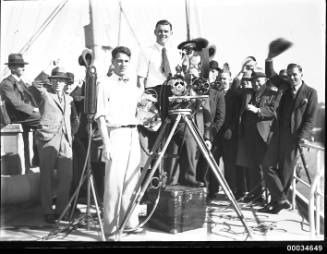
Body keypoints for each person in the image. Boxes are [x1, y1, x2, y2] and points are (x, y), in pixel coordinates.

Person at [95, 46, 142, 240]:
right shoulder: (104, 84)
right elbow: (100, 116)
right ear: (113, 62)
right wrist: (106, 144)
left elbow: (144, 113)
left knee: (132, 182)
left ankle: (130, 222)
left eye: (126, 61)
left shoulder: (135, 87)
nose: (122, 64)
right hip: (116, 134)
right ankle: (111, 228)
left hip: (134, 134)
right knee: (113, 184)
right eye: (119, 61)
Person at [261, 63, 318, 214]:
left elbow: (310, 119)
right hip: (278, 134)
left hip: (293, 138)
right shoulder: (285, 86)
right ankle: (281, 199)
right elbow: (271, 74)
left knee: (285, 173)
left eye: (295, 74)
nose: (292, 77)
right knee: (267, 165)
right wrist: (269, 59)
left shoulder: (310, 93)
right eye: (289, 75)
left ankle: (276, 204)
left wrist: (303, 137)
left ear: (301, 74)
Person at [34, 66, 80, 224]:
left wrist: (71, 134)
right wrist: (49, 70)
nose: (59, 83)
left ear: (66, 83)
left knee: (66, 177)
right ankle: (48, 211)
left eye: (62, 80)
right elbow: (36, 83)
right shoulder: (44, 94)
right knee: (46, 176)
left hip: (65, 140)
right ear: (51, 81)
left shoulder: (69, 99)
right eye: (56, 79)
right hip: (48, 138)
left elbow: (74, 119)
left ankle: (62, 210)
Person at [136, 19, 181, 168]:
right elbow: (140, 80)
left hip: (170, 96)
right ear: (155, 32)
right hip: (152, 96)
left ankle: (166, 177)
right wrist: (144, 103)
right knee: (152, 137)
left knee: (170, 137)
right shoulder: (146, 51)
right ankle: (150, 180)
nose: (163, 34)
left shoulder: (176, 53)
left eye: (166, 31)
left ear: (171, 33)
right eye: (160, 31)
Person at [236, 70, 281, 204]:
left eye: (259, 80)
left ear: (265, 80)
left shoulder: (272, 93)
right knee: (252, 166)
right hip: (249, 135)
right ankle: (255, 195)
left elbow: (273, 111)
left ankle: (269, 197)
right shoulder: (248, 93)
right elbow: (234, 88)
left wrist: (258, 111)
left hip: (263, 135)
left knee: (264, 167)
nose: (256, 83)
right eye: (254, 80)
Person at [0, 53, 41, 170]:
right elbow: (15, 103)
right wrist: (33, 109)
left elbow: (29, 98)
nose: (23, 67)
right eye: (20, 65)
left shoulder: (21, 82)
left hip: (25, 115)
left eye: (23, 65)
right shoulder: (6, 83)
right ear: (12, 68)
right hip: (16, 116)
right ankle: (38, 158)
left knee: (43, 120)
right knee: (43, 120)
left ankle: (34, 160)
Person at [197, 60, 225, 198]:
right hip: (196, 131)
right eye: (210, 71)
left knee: (210, 163)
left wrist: (211, 134)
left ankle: (211, 191)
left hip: (212, 134)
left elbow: (220, 117)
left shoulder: (218, 92)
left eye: (215, 72)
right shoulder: (197, 89)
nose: (212, 74)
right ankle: (199, 190)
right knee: (198, 163)